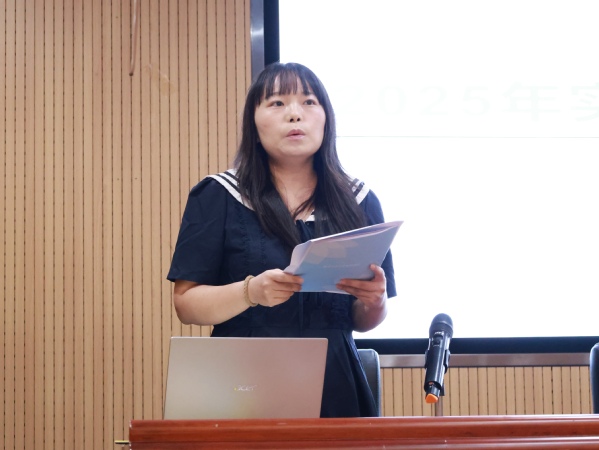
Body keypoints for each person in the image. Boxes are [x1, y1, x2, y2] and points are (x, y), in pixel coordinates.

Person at [167, 62, 396, 418]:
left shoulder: (360, 200)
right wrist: (251, 292)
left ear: (326, 119)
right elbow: (186, 304)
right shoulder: (219, 194)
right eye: (276, 103)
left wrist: (374, 302)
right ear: (253, 123)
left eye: (308, 102)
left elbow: (363, 320)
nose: (294, 114)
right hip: (241, 379)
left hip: (334, 381)